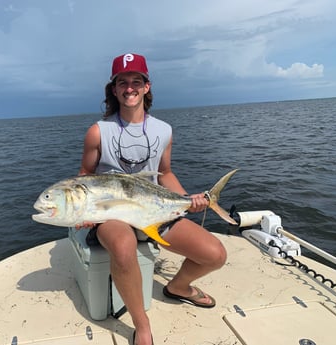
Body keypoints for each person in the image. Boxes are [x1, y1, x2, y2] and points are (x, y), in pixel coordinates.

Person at [78, 53, 227, 345]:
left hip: (154, 210)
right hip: (114, 214)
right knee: (122, 247)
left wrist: (186, 201)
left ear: (147, 87)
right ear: (114, 89)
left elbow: (165, 173)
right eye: (123, 82)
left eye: (137, 81)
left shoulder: (163, 130)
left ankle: (179, 287)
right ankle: (142, 325)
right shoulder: (99, 131)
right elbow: (86, 174)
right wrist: (85, 209)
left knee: (215, 254)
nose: (130, 88)